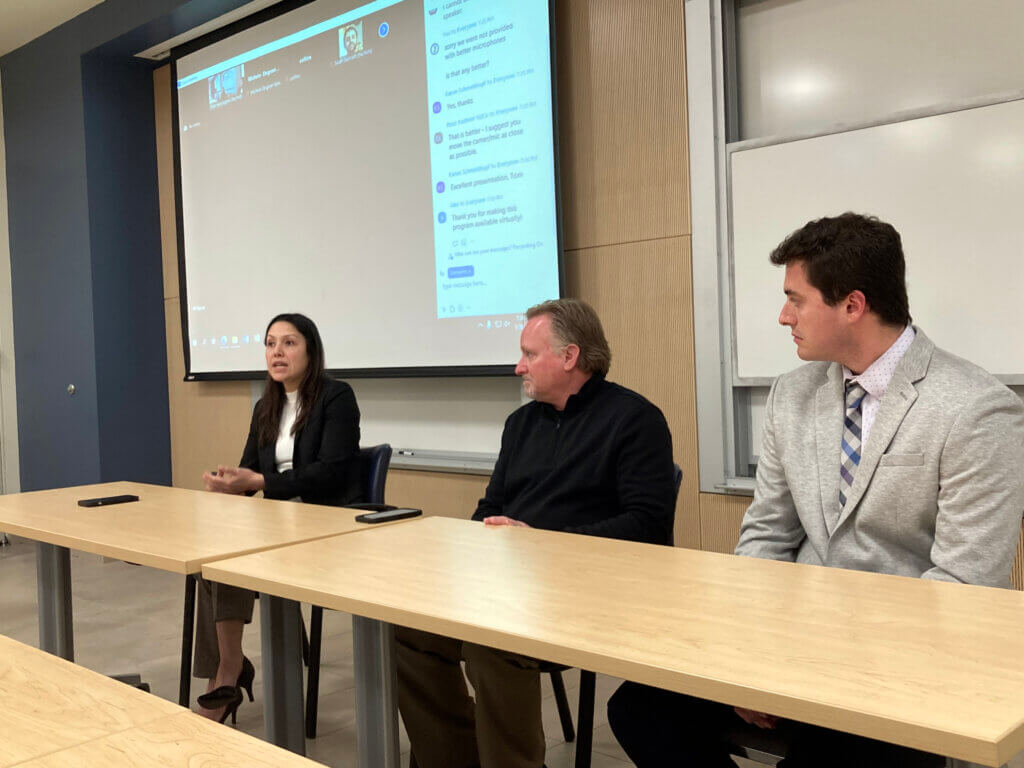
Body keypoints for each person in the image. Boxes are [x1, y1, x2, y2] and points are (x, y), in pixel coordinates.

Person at [607, 212, 1024, 767]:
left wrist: (820, 673)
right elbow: (766, 534)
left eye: (795, 300)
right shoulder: (793, 394)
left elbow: (963, 589)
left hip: (900, 672)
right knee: (640, 708)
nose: (783, 317)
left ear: (852, 305)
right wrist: (754, 660)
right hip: (790, 648)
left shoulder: (977, 410)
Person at [396, 298, 677, 768]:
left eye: (529, 354)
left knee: (492, 644)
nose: (517, 366)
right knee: (407, 626)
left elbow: (646, 526)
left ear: (569, 357)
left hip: (593, 592)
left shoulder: (635, 420)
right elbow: (490, 508)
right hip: (509, 586)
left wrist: (540, 539)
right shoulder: (520, 424)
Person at [195, 312, 361, 723]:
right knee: (211, 554)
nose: (277, 352)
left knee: (237, 550)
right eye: (270, 343)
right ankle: (229, 666)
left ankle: (228, 673)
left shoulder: (336, 397)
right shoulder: (264, 406)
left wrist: (261, 482)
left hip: (326, 523)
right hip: (276, 521)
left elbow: (332, 470)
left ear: (311, 350)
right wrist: (230, 482)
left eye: (289, 343)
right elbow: (251, 470)